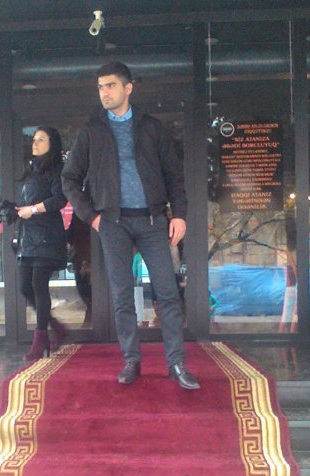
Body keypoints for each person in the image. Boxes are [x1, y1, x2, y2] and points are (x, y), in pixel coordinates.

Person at [62, 61, 199, 390]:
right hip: (112, 223)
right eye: (100, 87)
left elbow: (174, 176)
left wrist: (179, 214)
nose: (104, 92)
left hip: (152, 221)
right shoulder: (92, 131)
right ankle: (131, 360)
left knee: (167, 293)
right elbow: (69, 179)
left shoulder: (151, 128)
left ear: (128, 88)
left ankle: (176, 363)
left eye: (110, 85)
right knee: (122, 295)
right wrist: (92, 216)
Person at [15, 127, 68, 360]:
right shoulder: (31, 170)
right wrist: (10, 211)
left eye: (41, 139)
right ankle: (54, 326)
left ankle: (40, 339)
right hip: (29, 236)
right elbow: (26, 203)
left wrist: (33, 210)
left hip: (48, 235)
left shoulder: (57, 169)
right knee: (24, 286)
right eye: (34, 139)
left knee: (38, 284)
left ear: (51, 144)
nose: (34, 143)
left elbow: (60, 199)